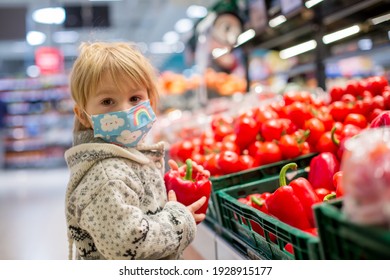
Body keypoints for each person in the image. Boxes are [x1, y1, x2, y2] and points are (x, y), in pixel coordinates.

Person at [64, 41, 207, 260]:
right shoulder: (107, 176)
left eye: (135, 98)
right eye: (108, 101)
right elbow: (130, 243)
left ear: (150, 99)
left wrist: (177, 186)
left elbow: (138, 208)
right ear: (83, 115)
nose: (125, 110)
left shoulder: (125, 155)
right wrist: (179, 220)